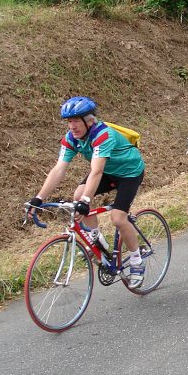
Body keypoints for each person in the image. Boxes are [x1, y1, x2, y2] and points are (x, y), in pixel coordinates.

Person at [27, 97, 147, 288]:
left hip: (129, 172)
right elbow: (59, 169)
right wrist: (39, 198)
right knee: (78, 196)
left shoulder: (102, 135)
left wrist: (85, 200)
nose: (72, 126)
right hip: (108, 171)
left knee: (117, 218)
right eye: (69, 121)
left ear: (89, 121)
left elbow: (96, 171)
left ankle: (136, 261)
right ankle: (97, 238)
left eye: (76, 121)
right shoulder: (71, 138)